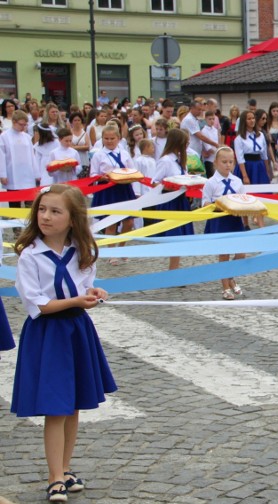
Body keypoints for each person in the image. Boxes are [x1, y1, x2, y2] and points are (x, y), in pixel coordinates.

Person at [11, 184, 115, 502]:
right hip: (48, 334)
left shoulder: (81, 251)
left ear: (72, 219)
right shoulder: (30, 256)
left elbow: (84, 286)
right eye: (42, 210)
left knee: (72, 406)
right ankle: (55, 476)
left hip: (76, 331)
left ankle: (65, 469)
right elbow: (40, 305)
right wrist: (76, 301)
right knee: (55, 408)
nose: (46, 216)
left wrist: (93, 293)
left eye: (55, 211)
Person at [202, 146, 248, 300]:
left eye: (230, 162)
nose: (228, 165)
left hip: (235, 220)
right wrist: (218, 204)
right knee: (224, 254)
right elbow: (205, 203)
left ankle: (230, 276)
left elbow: (243, 199)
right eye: (224, 162)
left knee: (241, 253)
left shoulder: (237, 181)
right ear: (215, 162)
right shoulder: (210, 183)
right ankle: (225, 287)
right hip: (220, 220)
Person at [151, 129, 194, 270]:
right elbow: (155, 182)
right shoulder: (165, 161)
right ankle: (173, 269)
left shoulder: (181, 160)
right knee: (174, 236)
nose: (187, 145)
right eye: (185, 142)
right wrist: (170, 187)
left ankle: (175, 267)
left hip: (181, 200)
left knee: (180, 237)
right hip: (170, 202)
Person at [89, 124, 135, 255]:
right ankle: (112, 253)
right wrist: (103, 177)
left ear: (118, 138)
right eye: (106, 138)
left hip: (124, 189)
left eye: (112, 138)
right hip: (108, 191)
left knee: (129, 222)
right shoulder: (99, 155)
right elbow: (93, 175)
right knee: (111, 223)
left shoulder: (124, 154)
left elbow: (132, 170)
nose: (109, 141)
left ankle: (122, 248)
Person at [234, 110, 270, 189]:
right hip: (247, 166)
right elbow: (240, 159)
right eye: (249, 119)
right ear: (244, 121)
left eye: (253, 118)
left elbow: (264, 155)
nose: (252, 121)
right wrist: (245, 176)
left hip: (259, 165)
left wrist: (267, 171)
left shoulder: (261, 135)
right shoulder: (239, 139)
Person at [200, 110, 220, 178]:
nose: (212, 121)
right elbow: (207, 147)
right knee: (210, 176)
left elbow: (217, 142)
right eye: (210, 119)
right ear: (205, 119)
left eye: (213, 119)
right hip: (209, 159)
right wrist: (217, 153)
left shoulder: (215, 130)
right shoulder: (204, 131)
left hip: (216, 157)